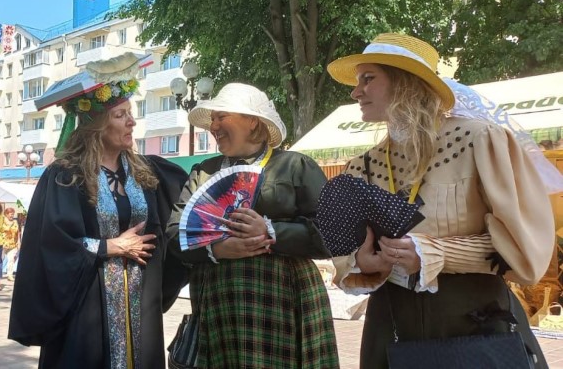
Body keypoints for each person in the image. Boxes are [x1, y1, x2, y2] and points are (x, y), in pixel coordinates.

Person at [327, 33, 555, 368]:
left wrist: (435, 253)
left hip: (471, 323)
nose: (356, 92)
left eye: (368, 78)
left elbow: (523, 250)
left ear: (406, 82)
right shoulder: (362, 165)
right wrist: (362, 262)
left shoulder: (479, 140)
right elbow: (345, 252)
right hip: (392, 326)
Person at [8, 52, 188, 368]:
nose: (132, 121)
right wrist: (109, 247)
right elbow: (51, 244)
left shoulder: (147, 173)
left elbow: (183, 216)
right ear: (97, 124)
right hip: (86, 307)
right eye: (120, 115)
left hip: (139, 304)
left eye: (130, 113)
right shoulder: (66, 176)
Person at [168, 83, 338, 368]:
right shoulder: (204, 171)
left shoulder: (295, 166)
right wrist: (218, 250)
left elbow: (333, 234)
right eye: (212, 119)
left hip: (283, 301)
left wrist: (271, 232)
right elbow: (175, 234)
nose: (213, 125)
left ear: (252, 122)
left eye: (221, 116)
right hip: (219, 305)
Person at [1, 207, 20, 281]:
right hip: (3, 243)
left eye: (13, 214)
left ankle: (10, 275)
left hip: (13, 244)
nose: (12, 215)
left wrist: (19, 241)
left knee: (11, 259)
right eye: (10, 214)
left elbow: (18, 232)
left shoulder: (15, 222)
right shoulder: (2, 221)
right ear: (6, 214)